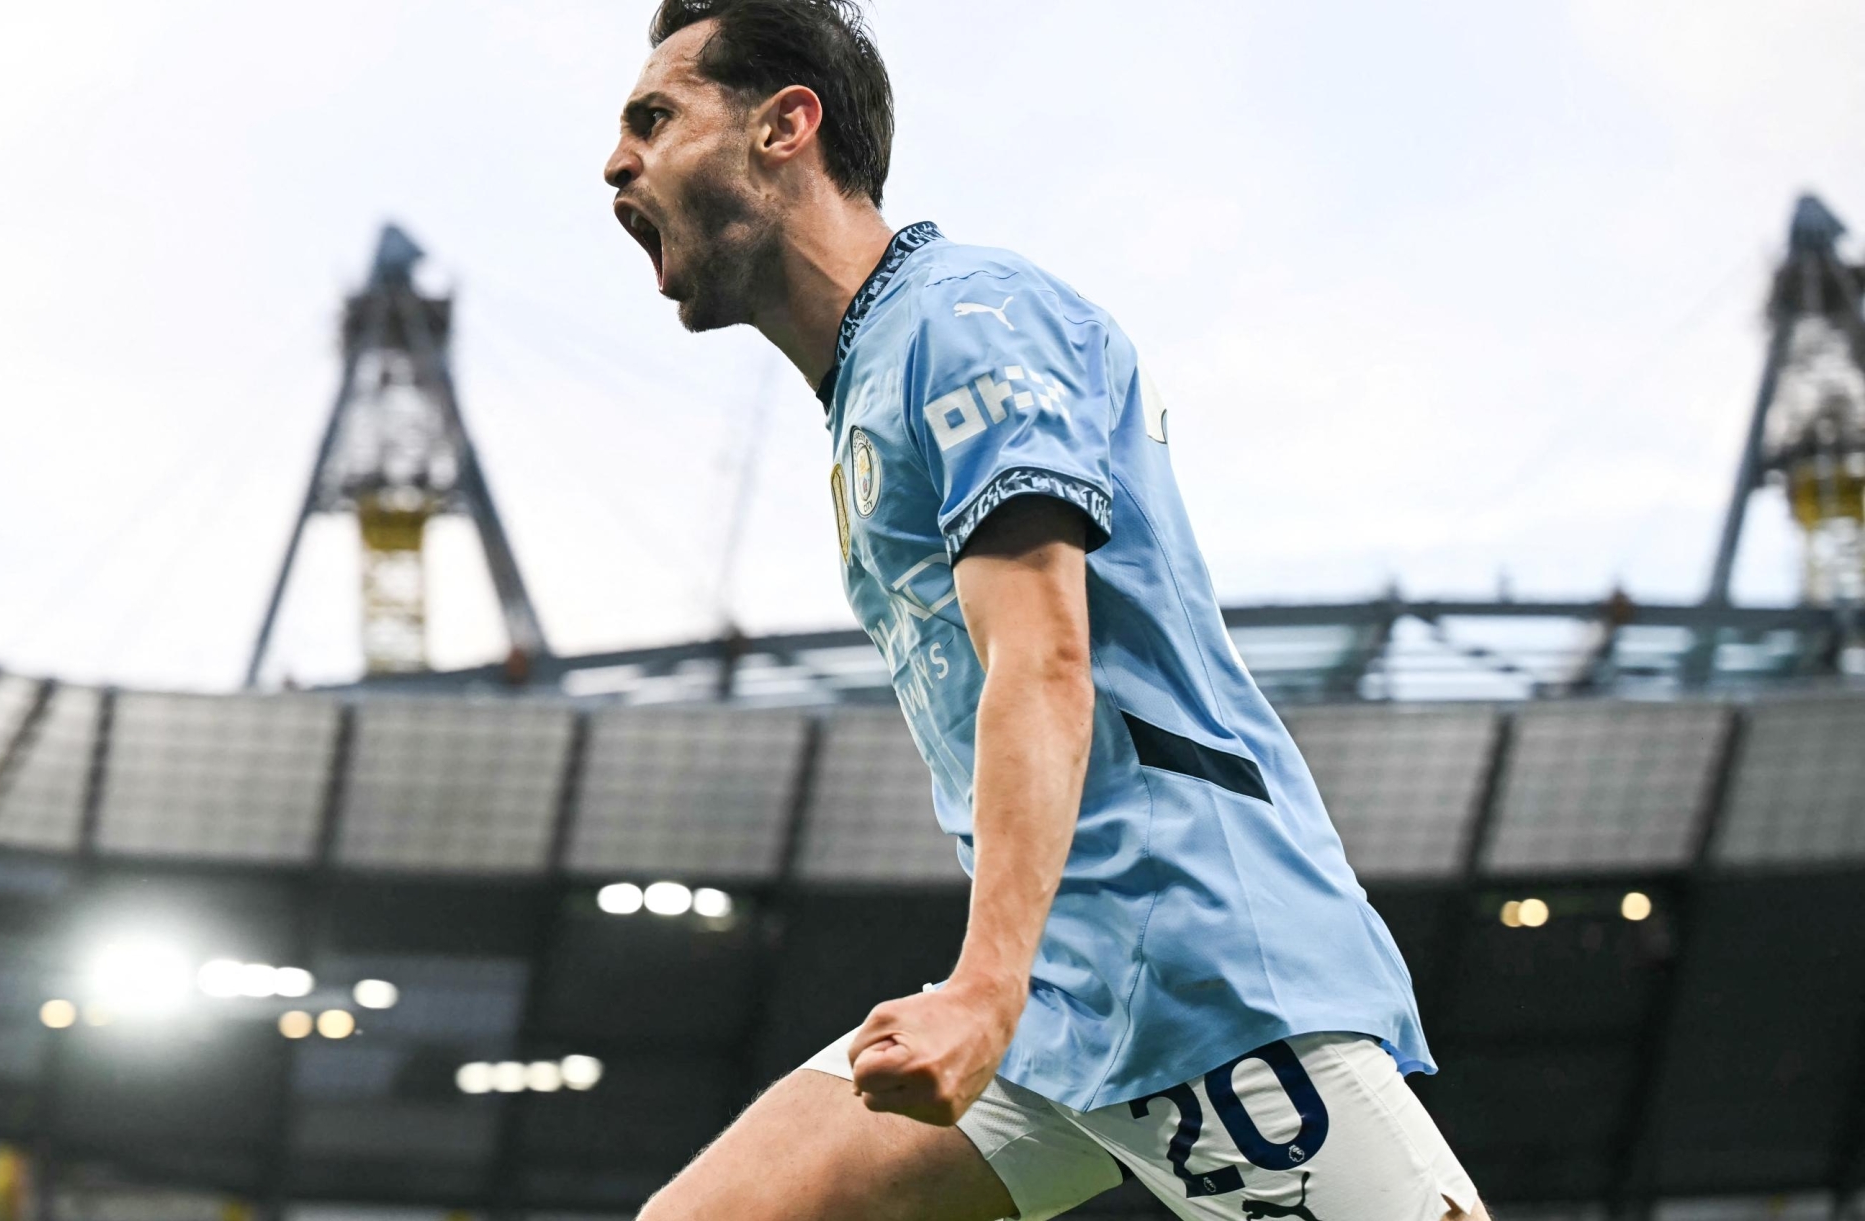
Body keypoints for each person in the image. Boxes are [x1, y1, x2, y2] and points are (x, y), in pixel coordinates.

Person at [602, 3, 1487, 1219]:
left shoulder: (964, 317)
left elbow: (1044, 658)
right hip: (1068, 998)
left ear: (784, 127)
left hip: (1193, 969)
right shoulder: (870, 378)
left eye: (654, 117)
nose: (617, 161)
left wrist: (983, 987)